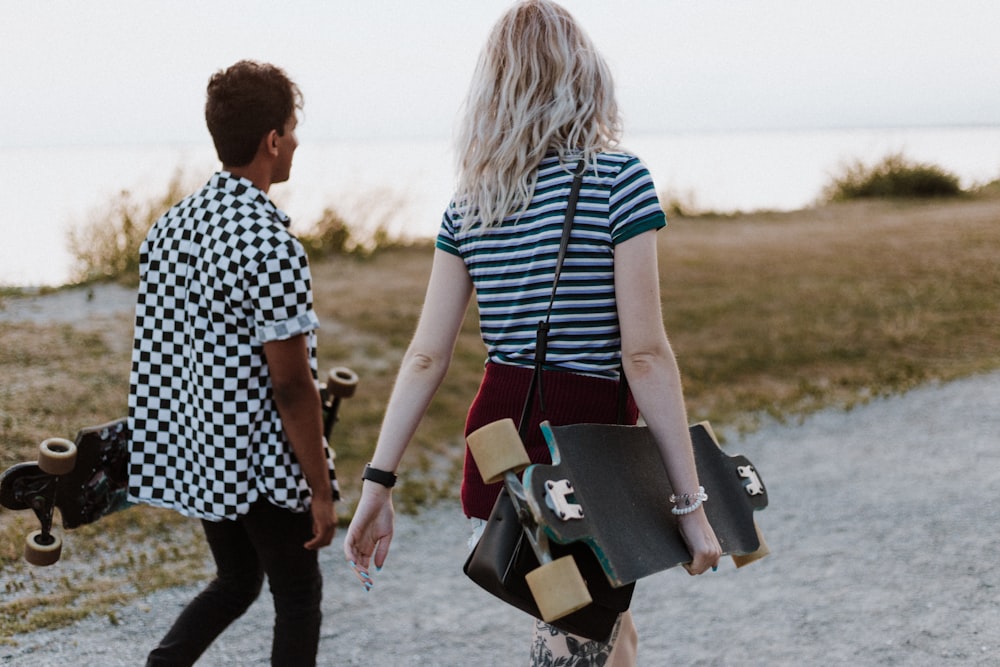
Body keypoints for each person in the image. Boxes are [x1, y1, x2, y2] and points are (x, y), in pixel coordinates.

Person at [343, 1, 722, 664]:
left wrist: (379, 481)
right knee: (572, 639)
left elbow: (427, 354)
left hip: (503, 441)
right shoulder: (618, 181)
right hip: (580, 453)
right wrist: (689, 501)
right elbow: (644, 353)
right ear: (584, 75)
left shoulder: (470, 201)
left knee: (603, 621)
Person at [127, 60, 337, 667]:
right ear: (273, 140)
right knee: (298, 595)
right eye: (292, 129)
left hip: (205, 455)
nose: (296, 141)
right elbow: (293, 387)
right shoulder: (272, 245)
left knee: (238, 579)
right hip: (262, 463)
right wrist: (320, 490)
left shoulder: (171, 226)